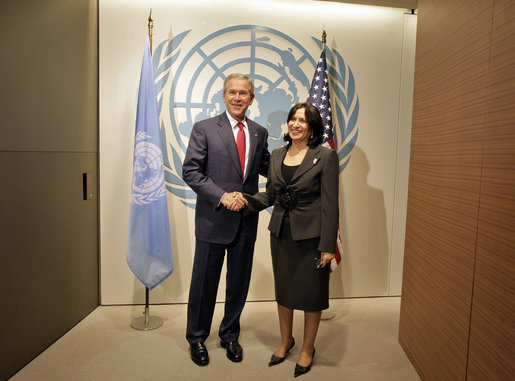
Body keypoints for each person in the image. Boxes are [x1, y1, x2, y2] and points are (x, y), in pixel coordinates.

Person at [242, 102, 339, 377]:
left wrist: (328, 246)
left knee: (312, 295)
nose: (296, 124)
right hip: (281, 234)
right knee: (284, 291)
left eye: (303, 120)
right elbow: (270, 195)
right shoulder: (276, 155)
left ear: (313, 127)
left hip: (313, 237)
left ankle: (308, 348)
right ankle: (286, 340)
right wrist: (243, 202)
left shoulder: (325, 156)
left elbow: (330, 205)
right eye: (293, 119)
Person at [182, 73, 270, 366]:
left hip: (246, 221)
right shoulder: (204, 129)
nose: (237, 98)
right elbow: (192, 171)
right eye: (232, 92)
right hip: (214, 219)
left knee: (238, 284)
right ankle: (196, 337)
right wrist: (222, 196)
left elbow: (270, 168)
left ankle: (229, 334)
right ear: (223, 96)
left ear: (251, 99)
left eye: (243, 93)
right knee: (204, 284)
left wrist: (304, 160)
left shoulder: (259, 132)